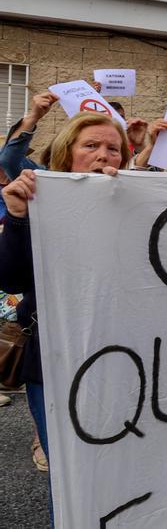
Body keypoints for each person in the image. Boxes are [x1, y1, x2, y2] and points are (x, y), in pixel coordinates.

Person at [1, 112, 132, 522]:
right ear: (66, 154)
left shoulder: (141, 203)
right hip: (57, 360)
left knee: (125, 461)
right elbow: (12, 278)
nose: (102, 155)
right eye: (90, 146)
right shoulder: (39, 199)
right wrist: (19, 216)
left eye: (113, 148)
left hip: (128, 357)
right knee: (71, 467)